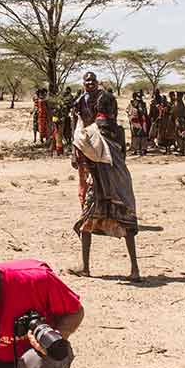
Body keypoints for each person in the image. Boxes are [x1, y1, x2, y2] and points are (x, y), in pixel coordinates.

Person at [71, 80, 141, 281]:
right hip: (120, 181)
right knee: (127, 223)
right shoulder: (119, 130)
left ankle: (85, 267)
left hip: (99, 182)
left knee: (86, 222)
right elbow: (123, 157)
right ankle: (134, 269)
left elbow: (83, 158)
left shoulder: (91, 131)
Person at [128, 91, 149, 155]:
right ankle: (139, 149)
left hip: (139, 121)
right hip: (137, 121)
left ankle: (141, 149)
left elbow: (143, 112)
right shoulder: (135, 104)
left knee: (140, 135)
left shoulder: (139, 104)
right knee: (138, 135)